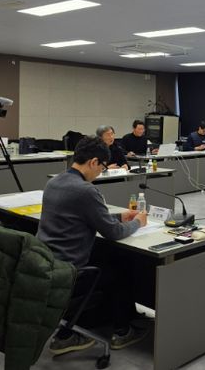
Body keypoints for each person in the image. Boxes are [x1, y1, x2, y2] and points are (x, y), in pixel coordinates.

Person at [37, 136, 148, 354]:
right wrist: (137, 222)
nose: (100, 172)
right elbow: (114, 233)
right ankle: (122, 331)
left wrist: (119, 216)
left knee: (108, 256)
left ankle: (105, 317)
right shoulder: (86, 190)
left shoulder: (54, 182)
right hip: (70, 272)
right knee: (122, 267)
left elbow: (82, 217)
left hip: (46, 264)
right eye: (102, 167)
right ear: (94, 162)